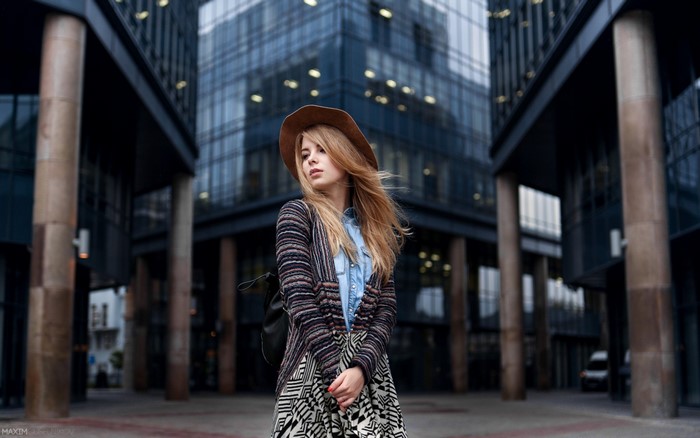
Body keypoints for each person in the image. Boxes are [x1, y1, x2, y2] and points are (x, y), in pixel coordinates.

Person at [272, 105, 410, 437]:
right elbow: (300, 298)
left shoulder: (376, 230)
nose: (310, 160)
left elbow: (386, 309)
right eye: (305, 154)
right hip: (312, 362)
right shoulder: (297, 215)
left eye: (321, 150)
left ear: (345, 157)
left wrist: (361, 368)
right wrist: (338, 371)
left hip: (369, 370)